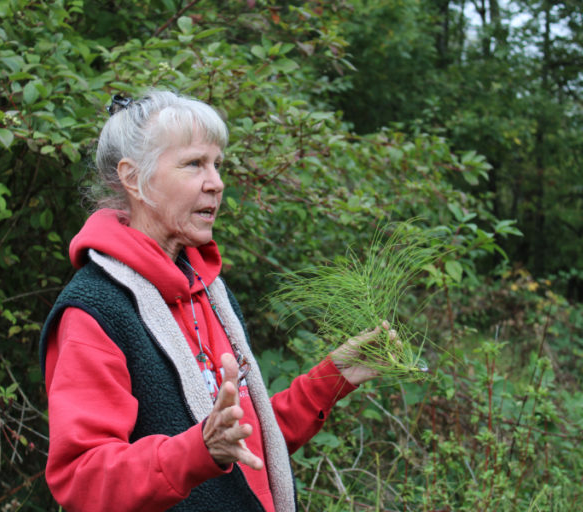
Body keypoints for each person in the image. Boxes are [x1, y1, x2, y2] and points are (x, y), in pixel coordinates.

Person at [39, 90, 392, 512]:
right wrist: (197, 451)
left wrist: (330, 381)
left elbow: (245, 441)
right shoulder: (96, 310)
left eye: (218, 164)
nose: (217, 183)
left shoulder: (208, 293)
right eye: (194, 164)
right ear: (134, 179)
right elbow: (83, 478)